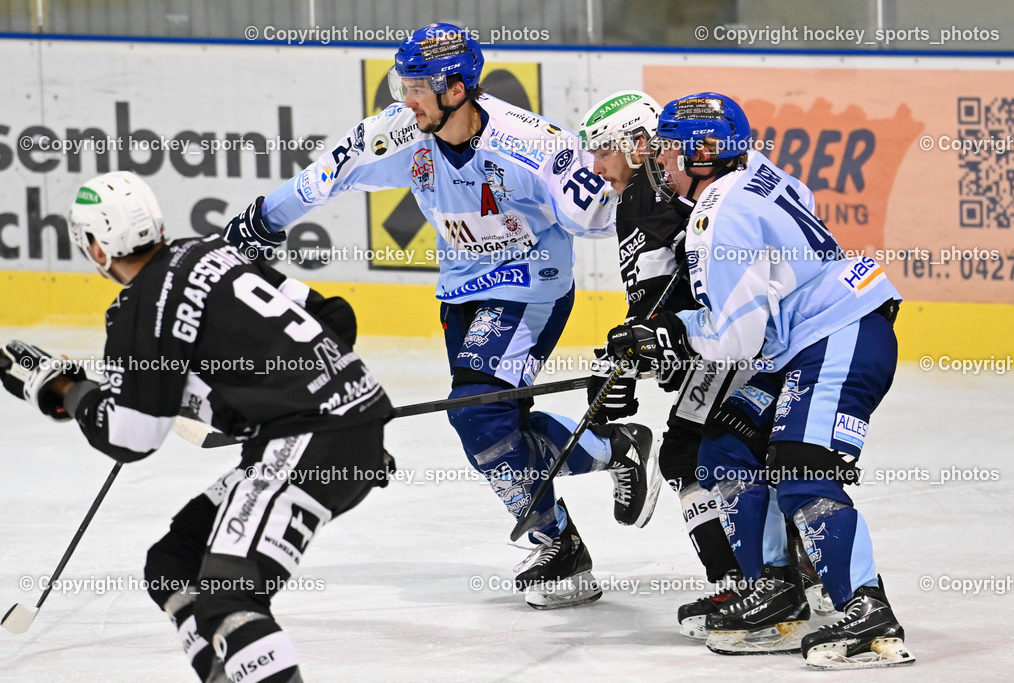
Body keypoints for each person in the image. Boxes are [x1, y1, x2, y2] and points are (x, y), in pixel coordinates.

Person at [221, 23, 655, 609]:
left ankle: (559, 536)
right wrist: (253, 228)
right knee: (492, 425)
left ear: (456, 89)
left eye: (418, 86)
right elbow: (324, 177)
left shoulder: (532, 145)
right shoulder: (400, 133)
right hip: (461, 293)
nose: (406, 98)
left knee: (476, 414)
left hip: (531, 287)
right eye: (404, 84)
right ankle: (607, 458)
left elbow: (601, 213)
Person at [0, 170, 394, 682]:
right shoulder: (213, 252)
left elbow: (132, 436)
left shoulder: (137, 308)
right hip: (342, 428)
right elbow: (334, 317)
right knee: (174, 564)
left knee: (228, 595)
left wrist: (62, 387)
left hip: (310, 442)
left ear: (98, 248)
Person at [608, 93, 915, 669]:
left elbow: (736, 342)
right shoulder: (757, 173)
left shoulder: (715, 217)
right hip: (807, 341)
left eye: (669, 150)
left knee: (800, 467)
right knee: (724, 449)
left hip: (838, 335)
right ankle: (774, 589)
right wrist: (673, 330)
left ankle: (868, 610)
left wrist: (668, 339)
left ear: (702, 156)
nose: (660, 163)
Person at [578, 90, 753, 639]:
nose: (597, 166)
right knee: (717, 451)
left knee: (691, 451)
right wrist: (625, 356)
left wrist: (623, 360)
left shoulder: (648, 196)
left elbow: (660, 304)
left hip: (729, 340)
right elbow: (656, 305)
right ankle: (776, 575)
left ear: (638, 145)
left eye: (604, 150)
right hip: (733, 334)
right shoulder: (659, 192)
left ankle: (746, 582)